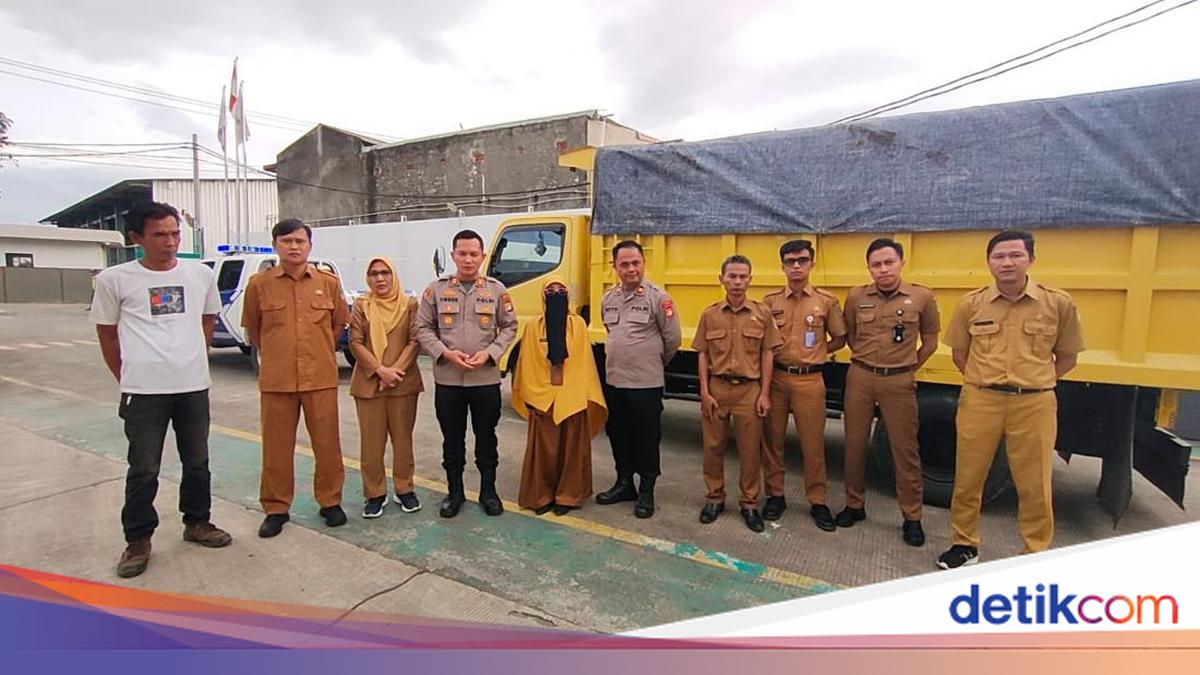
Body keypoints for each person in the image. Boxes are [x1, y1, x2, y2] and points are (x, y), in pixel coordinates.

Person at [91, 201, 232, 579]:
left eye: (175, 234)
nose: (170, 242)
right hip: (143, 392)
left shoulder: (199, 274)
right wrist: (128, 375)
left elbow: (207, 320)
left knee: (197, 461)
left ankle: (197, 522)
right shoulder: (114, 280)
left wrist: (194, 359)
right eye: (160, 235)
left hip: (192, 387)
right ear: (136, 238)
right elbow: (107, 334)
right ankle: (138, 539)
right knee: (144, 468)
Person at [938, 230, 1085, 570]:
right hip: (981, 399)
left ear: (1031, 259)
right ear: (989, 262)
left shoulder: (1057, 303)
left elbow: (1067, 357)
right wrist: (984, 381)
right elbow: (960, 354)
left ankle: (1034, 552)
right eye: (999, 256)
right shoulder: (972, 304)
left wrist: (1035, 381)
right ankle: (964, 544)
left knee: (1034, 482)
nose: (1007, 263)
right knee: (968, 477)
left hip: (1034, 403)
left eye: (1015, 255)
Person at [241, 219, 349, 538]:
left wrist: (317, 350)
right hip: (278, 380)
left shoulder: (328, 283)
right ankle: (276, 508)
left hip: (320, 378)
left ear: (310, 246)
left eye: (300, 241)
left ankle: (330, 501)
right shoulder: (259, 284)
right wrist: (279, 353)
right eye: (286, 241)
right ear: (275, 245)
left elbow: (337, 325)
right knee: (276, 447)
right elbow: (255, 330)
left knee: (327, 445)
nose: (293, 246)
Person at [840, 238, 940, 546]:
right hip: (861, 376)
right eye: (876, 264)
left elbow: (930, 340)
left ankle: (912, 516)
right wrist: (868, 361)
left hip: (898, 381)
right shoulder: (856, 297)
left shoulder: (921, 297)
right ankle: (854, 504)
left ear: (901, 263)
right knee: (854, 445)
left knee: (905, 449)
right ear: (868, 268)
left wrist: (908, 366)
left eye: (888, 262)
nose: (883, 269)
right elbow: (852, 335)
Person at [414, 229, 518, 518]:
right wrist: (445, 353)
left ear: (482, 256)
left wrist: (491, 353)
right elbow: (422, 327)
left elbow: (510, 325)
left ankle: (488, 492)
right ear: (453, 255)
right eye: (462, 253)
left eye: (474, 254)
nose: (468, 259)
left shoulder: (496, 290)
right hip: (449, 380)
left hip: (484, 380)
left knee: (487, 438)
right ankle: (455, 492)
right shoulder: (436, 290)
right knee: (452, 439)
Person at [762, 240, 847, 531]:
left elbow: (839, 337)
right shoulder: (770, 302)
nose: (796, 266)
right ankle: (775, 495)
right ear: (782, 267)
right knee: (773, 441)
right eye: (790, 261)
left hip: (810, 380)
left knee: (812, 445)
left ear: (811, 264)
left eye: (802, 260)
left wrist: (819, 352)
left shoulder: (826, 301)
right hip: (776, 378)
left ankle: (818, 500)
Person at [692, 255, 781, 532]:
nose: (737, 282)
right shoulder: (710, 314)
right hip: (717, 388)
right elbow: (703, 354)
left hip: (748, 391)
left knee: (750, 450)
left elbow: (768, 354)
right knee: (713, 447)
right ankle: (714, 497)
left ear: (750, 280)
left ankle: (749, 503)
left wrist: (764, 393)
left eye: (743, 276)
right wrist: (704, 392)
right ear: (722, 279)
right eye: (732, 276)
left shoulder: (762, 313)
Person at [596, 240, 682, 519]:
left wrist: (651, 361)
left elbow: (673, 339)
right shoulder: (608, 298)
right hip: (615, 381)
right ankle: (624, 484)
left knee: (646, 437)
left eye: (636, 263)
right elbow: (610, 331)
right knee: (618, 434)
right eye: (625, 264)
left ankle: (646, 490)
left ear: (644, 263)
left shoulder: (659, 298)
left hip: (646, 383)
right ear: (615, 266)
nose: (631, 269)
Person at [511, 276, 607, 515]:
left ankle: (568, 496)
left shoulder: (578, 325)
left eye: (561, 290)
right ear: (543, 296)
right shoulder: (533, 326)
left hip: (572, 397)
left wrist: (573, 394)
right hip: (542, 397)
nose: (556, 294)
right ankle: (540, 496)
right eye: (550, 291)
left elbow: (583, 363)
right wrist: (534, 394)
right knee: (543, 451)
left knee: (571, 451)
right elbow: (527, 363)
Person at [348, 257, 423, 518]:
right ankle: (374, 494)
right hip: (370, 384)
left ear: (394, 275)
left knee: (403, 442)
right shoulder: (362, 306)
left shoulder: (409, 305)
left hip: (403, 384)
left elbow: (415, 341)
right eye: (374, 274)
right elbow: (355, 342)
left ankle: (405, 488)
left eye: (385, 273)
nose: (380, 279)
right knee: (371, 444)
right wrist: (380, 370)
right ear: (367, 279)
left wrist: (394, 373)